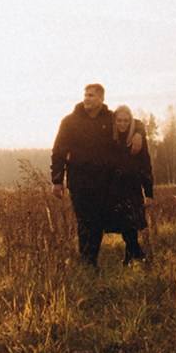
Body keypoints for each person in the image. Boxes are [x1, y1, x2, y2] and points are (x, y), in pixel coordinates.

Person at [51, 83, 119, 268]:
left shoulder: (111, 119)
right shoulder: (70, 121)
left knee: (98, 221)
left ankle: (91, 258)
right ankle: (88, 261)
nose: (87, 99)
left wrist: (138, 132)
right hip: (79, 182)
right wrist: (57, 181)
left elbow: (131, 123)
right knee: (84, 220)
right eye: (85, 95)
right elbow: (58, 152)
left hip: (105, 183)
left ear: (101, 98)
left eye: (91, 95)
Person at [110, 106, 154, 263]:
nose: (122, 124)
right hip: (113, 188)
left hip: (133, 187)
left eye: (126, 121)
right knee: (123, 224)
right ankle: (138, 255)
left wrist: (148, 192)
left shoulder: (137, 139)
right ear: (114, 121)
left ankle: (129, 259)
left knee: (131, 224)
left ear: (131, 122)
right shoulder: (109, 137)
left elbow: (146, 165)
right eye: (119, 120)